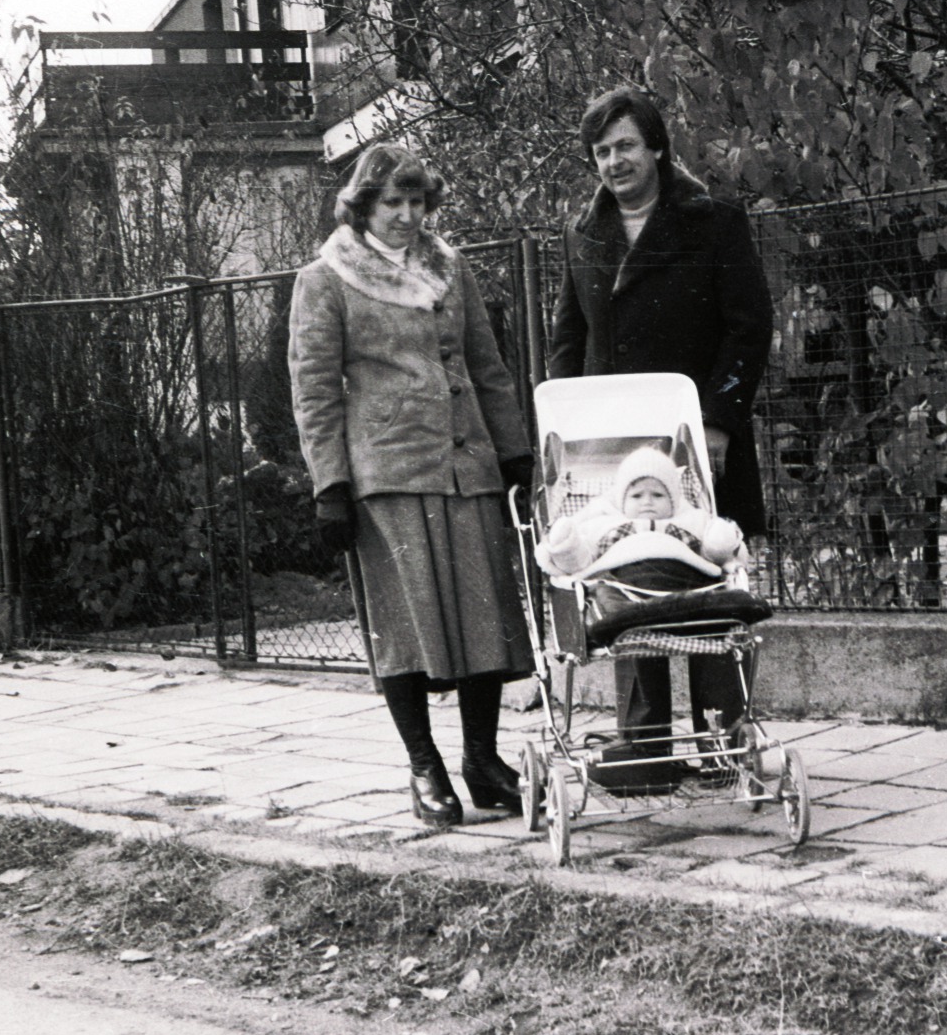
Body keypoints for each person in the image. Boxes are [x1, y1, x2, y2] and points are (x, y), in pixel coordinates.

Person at [289, 143, 535, 828]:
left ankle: (483, 762)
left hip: (468, 469)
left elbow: (488, 366)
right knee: (405, 626)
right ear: (362, 205)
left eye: (416, 201)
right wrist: (328, 485)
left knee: (485, 619)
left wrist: (513, 451)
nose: (405, 216)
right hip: (389, 475)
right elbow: (313, 391)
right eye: (390, 203)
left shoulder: (450, 270)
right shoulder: (326, 279)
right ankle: (424, 765)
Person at [548, 87, 773, 745]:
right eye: (600, 152)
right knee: (626, 583)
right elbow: (567, 340)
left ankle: (724, 735)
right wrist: (568, 431)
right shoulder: (582, 236)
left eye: (624, 146)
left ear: (656, 148)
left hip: (702, 443)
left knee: (709, 582)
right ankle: (644, 745)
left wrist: (719, 421)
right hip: (614, 454)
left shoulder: (714, 223)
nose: (613, 162)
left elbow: (749, 327)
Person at [538, 445, 747, 579]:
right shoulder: (604, 522)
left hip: (683, 579)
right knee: (606, 597)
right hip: (619, 581)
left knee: (707, 592)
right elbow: (585, 558)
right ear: (622, 501)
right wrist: (567, 546)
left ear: (673, 501)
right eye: (636, 496)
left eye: (658, 495)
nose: (647, 502)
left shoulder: (692, 519)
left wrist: (720, 542)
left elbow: (712, 554)